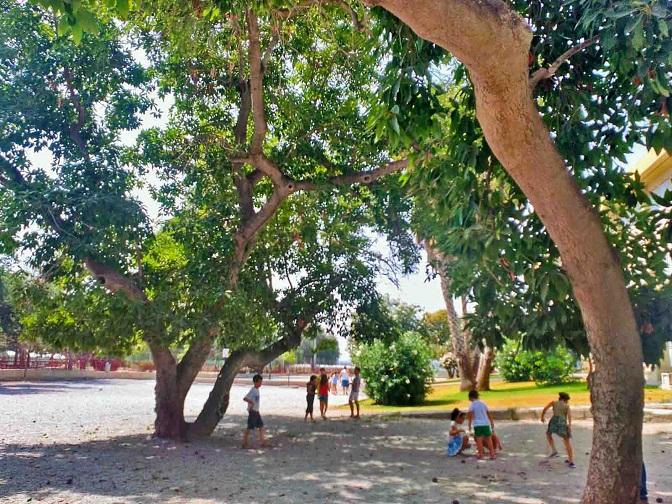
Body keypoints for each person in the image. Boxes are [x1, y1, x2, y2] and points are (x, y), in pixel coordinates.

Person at [541, 391, 575, 468]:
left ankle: (554, 449)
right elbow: (569, 417)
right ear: (565, 399)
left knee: (548, 433)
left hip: (554, 421)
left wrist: (542, 417)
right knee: (567, 441)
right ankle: (571, 461)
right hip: (562, 422)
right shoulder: (566, 406)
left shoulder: (553, 402)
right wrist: (569, 426)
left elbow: (545, 409)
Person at [467, 390, 496, 460]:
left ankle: (480, 454)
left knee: (479, 439)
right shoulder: (483, 403)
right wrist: (491, 422)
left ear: (470, 397)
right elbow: (488, 413)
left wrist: (469, 426)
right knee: (489, 439)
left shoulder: (472, 405)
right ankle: (492, 454)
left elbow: (469, 417)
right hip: (485, 424)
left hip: (477, 425)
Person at [242, 374, 266, 449]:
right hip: (253, 411)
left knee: (261, 426)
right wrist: (251, 403)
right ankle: (244, 443)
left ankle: (263, 442)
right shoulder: (253, 390)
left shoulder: (257, 390)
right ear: (255, 382)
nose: (260, 384)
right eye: (259, 382)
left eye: (261, 382)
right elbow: (245, 398)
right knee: (249, 428)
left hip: (256, 411)